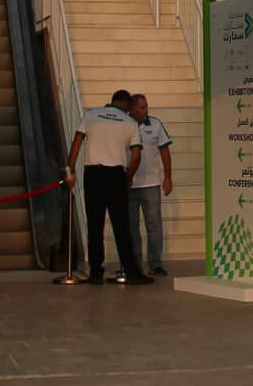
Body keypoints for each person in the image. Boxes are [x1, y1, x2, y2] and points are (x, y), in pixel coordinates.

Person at [63, 89, 147, 284]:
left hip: (93, 175)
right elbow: (136, 155)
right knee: (121, 227)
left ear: (112, 100)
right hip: (116, 175)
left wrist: (70, 170)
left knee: (95, 226)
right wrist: (129, 176)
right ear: (127, 105)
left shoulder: (91, 115)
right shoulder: (130, 123)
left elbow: (77, 142)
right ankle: (131, 272)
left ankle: (95, 272)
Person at [128, 93, 174, 280]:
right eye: (142, 107)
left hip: (151, 184)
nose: (146, 110)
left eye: (146, 106)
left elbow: (165, 151)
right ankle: (135, 265)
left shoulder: (155, 124)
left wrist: (168, 177)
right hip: (129, 185)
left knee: (154, 225)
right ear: (132, 109)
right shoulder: (124, 124)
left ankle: (155, 264)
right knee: (131, 228)